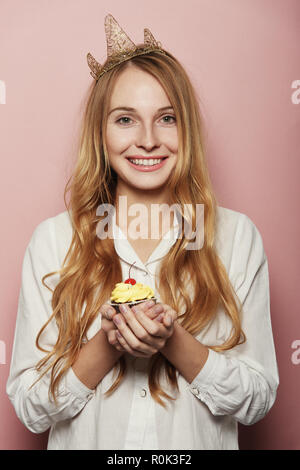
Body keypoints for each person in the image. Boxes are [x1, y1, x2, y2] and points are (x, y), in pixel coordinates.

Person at [6, 14, 279, 450]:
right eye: (125, 119)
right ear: (101, 132)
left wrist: (174, 341)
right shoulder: (54, 241)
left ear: (186, 128)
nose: (148, 140)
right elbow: (31, 408)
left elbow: (258, 398)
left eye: (167, 118)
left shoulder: (237, 237)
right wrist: (107, 345)